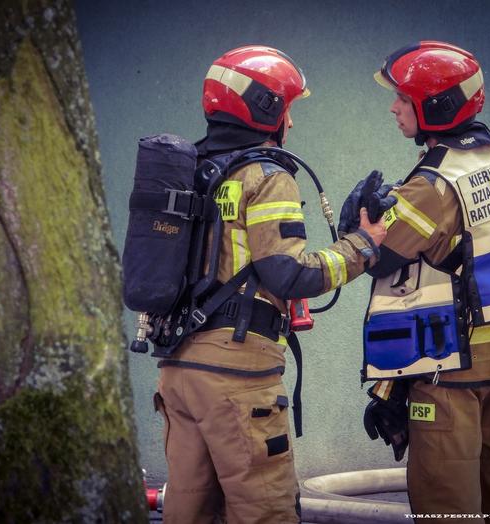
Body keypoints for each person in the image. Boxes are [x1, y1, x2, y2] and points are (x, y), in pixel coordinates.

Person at [153, 45, 387, 524]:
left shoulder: (191, 172)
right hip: (237, 380)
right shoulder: (266, 175)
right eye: (288, 109)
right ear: (264, 108)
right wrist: (362, 245)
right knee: (265, 512)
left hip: (178, 373)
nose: (291, 123)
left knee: (189, 512)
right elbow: (290, 273)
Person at [354, 41, 490, 523]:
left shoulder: (432, 184)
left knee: (448, 509)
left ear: (434, 106)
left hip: (454, 377)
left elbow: (379, 257)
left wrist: (356, 224)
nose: (394, 107)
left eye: (403, 98)